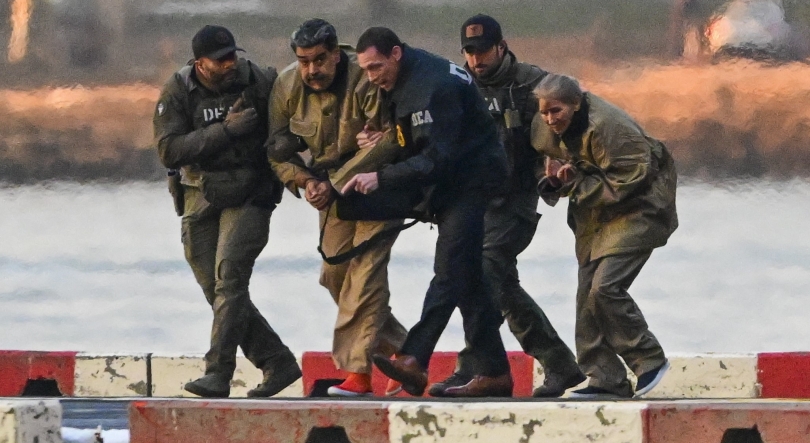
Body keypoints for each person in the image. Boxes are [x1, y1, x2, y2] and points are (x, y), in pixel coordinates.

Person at [343, 27, 513, 397]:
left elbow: (439, 157)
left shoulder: (435, 86)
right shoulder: (398, 83)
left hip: (472, 181)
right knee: (468, 280)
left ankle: (414, 358)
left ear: (396, 54)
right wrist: (380, 142)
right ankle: (495, 372)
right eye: (366, 70)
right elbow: (411, 140)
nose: (372, 77)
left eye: (376, 67)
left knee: (449, 269)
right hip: (447, 184)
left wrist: (382, 177)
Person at [427, 14, 586, 398]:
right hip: (471, 201)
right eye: (469, 52)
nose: (476, 59)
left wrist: (557, 164)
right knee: (470, 274)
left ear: (501, 47)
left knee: (487, 267)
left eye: (482, 51)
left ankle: (541, 363)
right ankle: (480, 365)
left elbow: (570, 124)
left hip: (514, 199)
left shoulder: (533, 84)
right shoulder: (456, 86)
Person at [154, 25, 300, 398]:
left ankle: (218, 373)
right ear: (198, 63)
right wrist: (226, 130)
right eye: (220, 60)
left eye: (233, 55)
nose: (230, 64)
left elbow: (288, 128)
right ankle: (276, 361)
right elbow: (169, 150)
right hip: (198, 192)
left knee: (230, 279)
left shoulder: (261, 80)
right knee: (213, 288)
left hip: (251, 192)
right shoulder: (177, 90)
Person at [266, 19, 407, 397]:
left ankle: (357, 375)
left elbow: (391, 139)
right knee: (335, 275)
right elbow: (277, 149)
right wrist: (304, 180)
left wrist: (335, 181)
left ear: (336, 53)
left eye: (319, 60)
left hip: (379, 186)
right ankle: (405, 352)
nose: (312, 70)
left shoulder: (366, 77)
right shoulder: (287, 85)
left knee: (366, 275)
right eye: (303, 61)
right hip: (329, 193)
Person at [532, 73, 678, 399]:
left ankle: (649, 359)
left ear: (576, 104)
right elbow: (547, 161)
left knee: (606, 287)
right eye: (544, 112)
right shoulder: (543, 126)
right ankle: (605, 378)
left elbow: (631, 180)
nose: (550, 119)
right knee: (586, 294)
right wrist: (554, 181)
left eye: (557, 111)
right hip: (594, 212)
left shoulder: (611, 128)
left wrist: (576, 182)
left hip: (641, 205)